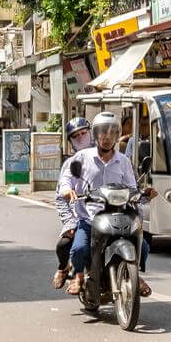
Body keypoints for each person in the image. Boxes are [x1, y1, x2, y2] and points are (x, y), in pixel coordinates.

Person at [66, 111, 155, 298]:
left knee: (144, 247)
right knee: (79, 249)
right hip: (90, 217)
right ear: (95, 134)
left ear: (117, 135)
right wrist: (68, 190)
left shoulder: (124, 161)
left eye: (111, 132)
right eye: (102, 132)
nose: (106, 137)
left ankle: (135, 274)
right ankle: (79, 276)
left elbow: (132, 188)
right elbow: (68, 179)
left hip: (120, 214)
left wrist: (144, 194)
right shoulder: (82, 157)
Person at [53, 119, 92, 287]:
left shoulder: (110, 157)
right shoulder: (70, 164)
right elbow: (60, 197)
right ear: (70, 141)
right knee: (64, 245)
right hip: (80, 217)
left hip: (106, 215)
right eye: (76, 136)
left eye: (84, 133)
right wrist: (70, 223)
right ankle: (65, 268)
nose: (81, 138)